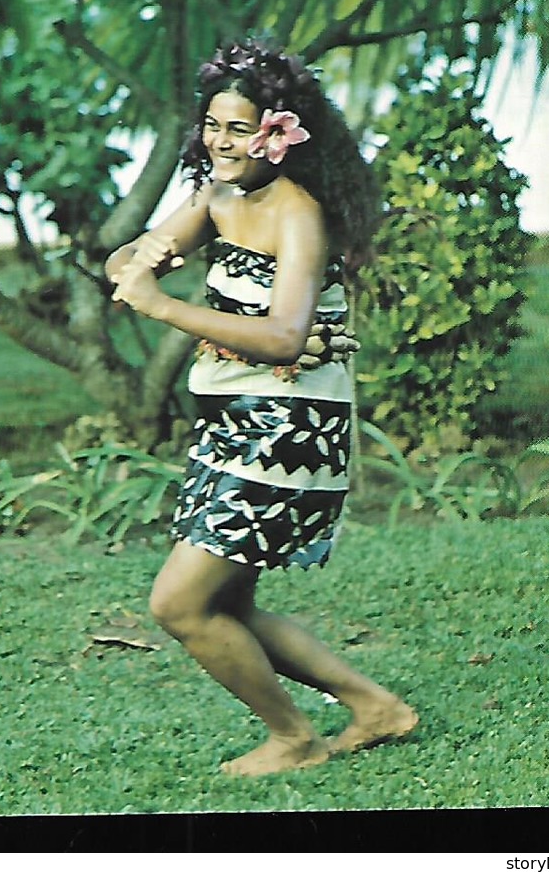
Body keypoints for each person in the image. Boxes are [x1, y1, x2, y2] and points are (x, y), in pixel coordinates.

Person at [105, 39, 417, 777]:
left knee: (180, 604)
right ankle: (376, 708)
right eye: (212, 125)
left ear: (281, 133)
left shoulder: (297, 214)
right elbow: (131, 260)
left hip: (290, 428)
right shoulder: (215, 196)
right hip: (232, 422)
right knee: (227, 607)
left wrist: (161, 303)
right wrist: (140, 261)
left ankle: (294, 739)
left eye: (238, 129)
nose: (220, 141)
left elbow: (285, 336)